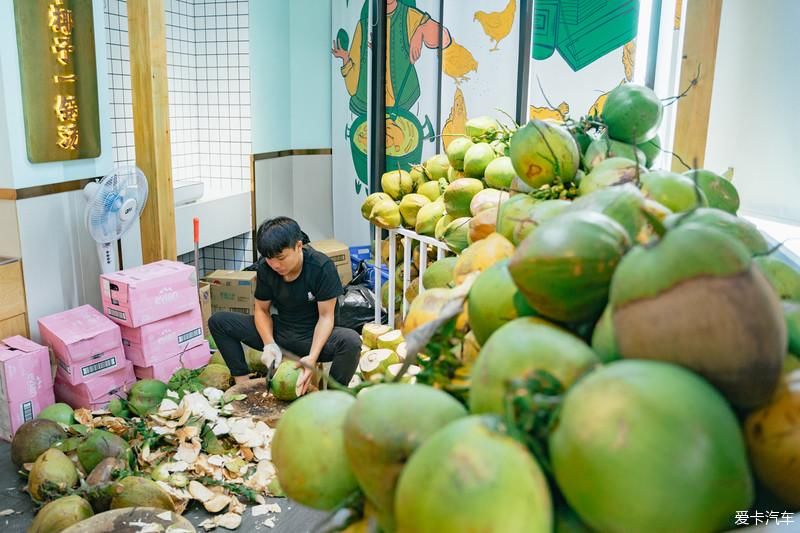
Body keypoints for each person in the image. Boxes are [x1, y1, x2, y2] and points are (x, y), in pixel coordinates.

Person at [208, 217, 360, 395]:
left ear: (298, 246)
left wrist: (312, 357)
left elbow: (326, 317)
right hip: (281, 331)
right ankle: (243, 384)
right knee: (219, 322)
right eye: (269, 258)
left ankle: (334, 397)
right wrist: (268, 344)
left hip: (314, 335)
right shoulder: (266, 268)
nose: (275, 265)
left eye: (281, 257)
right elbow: (261, 309)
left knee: (351, 341)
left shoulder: (321, 267)